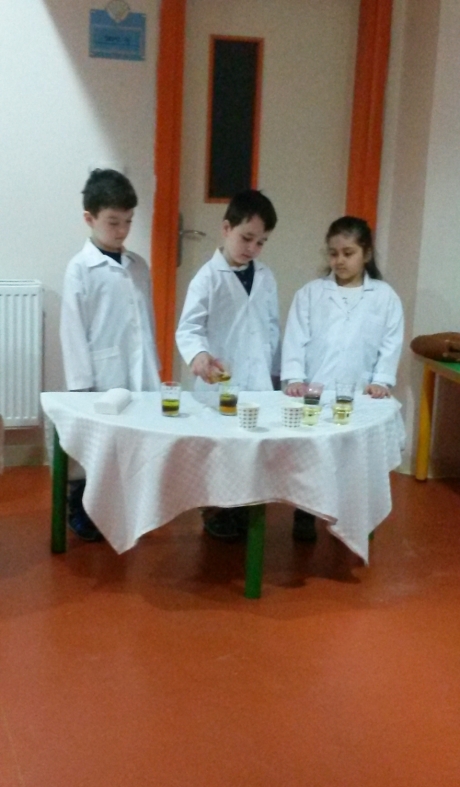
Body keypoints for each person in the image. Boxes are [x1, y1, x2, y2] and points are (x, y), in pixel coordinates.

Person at [281, 215, 404, 542]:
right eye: (333, 253)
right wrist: (294, 377)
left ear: (366, 253)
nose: (339, 261)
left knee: (355, 457)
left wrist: (381, 381)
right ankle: (305, 512)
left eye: (348, 253)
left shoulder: (384, 297)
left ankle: (357, 518)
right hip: (315, 390)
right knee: (312, 456)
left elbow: (390, 343)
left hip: (361, 393)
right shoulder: (310, 294)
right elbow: (295, 338)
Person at [60, 169, 161, 541]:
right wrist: (81, 386)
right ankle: (81, 506)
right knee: (97, 448)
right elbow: (72, 330)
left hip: (139, 370)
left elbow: (146, 323)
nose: (122, 231)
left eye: (128, 222)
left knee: (131, 441)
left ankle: (123, 508)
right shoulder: (80, 269)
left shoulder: (138, 266)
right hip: (101, 375)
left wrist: (153, 367)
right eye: (113, 222)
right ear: (90, 218)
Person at [176, 188, 281, 539]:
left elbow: (272, 326)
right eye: (246, 238)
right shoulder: (207, 277)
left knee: (251, 450)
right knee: (219, 449)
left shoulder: (265, 277)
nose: (252, 248)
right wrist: (199, 356)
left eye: (261, 242)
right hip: (218, 380)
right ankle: (215, 510)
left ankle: (246, 509)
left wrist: (273, 369)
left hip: (257, 381)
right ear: (226, 228)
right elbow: (189, 328)